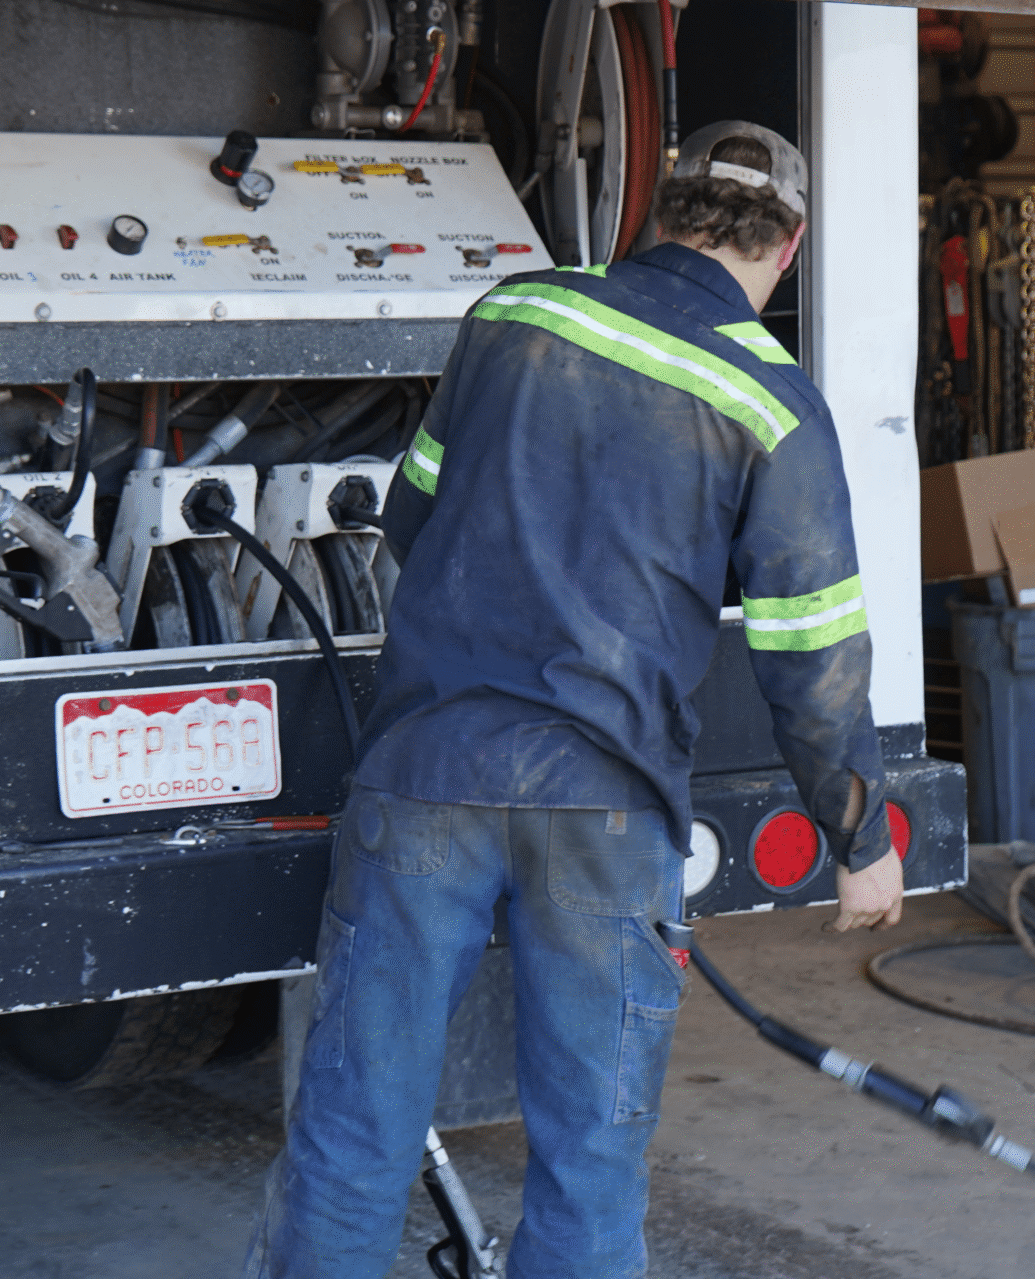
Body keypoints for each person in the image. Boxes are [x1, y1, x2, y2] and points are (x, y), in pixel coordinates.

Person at [245, 121, 904, 1279]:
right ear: (788, 246)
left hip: (425, 774)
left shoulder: (517, 317)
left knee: (354, 1135)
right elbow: (812, 650)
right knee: (590, 1166)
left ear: (658, 206)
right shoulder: (773, 401)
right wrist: (858, 836)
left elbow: (412, 517)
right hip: (606, 805)